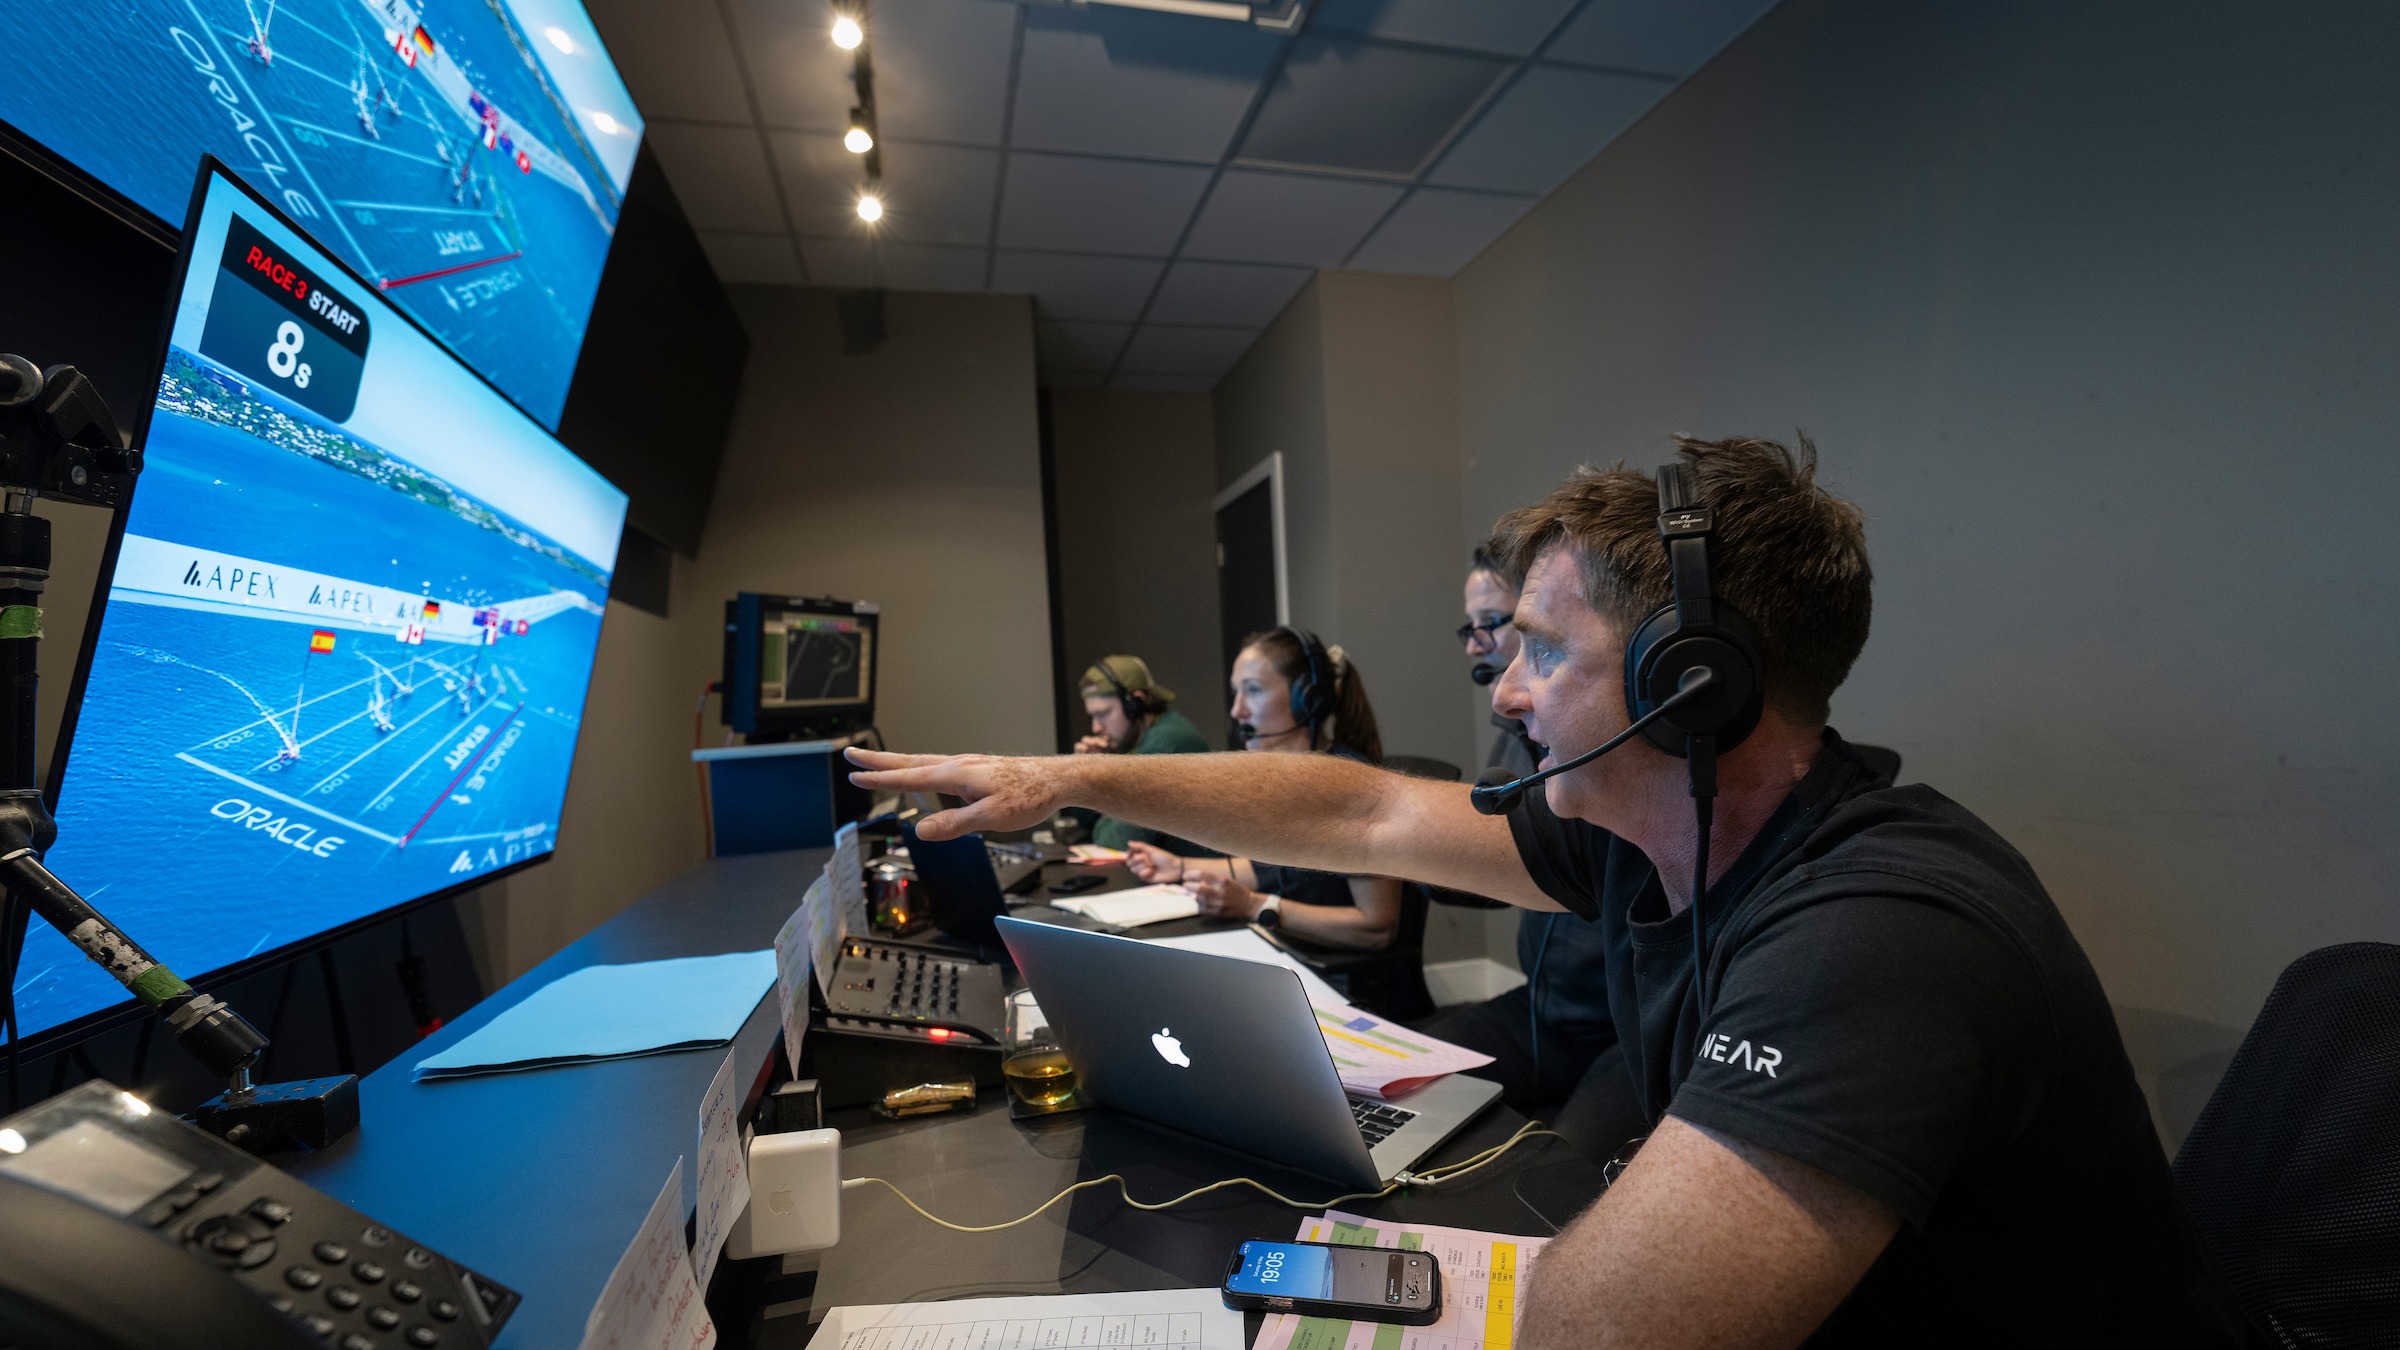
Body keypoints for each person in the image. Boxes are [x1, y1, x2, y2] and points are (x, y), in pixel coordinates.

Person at [848, 436, 2244, 1347]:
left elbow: (1600, 1332)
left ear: (1688, 691)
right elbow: (1370, 804)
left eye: (1542, 653)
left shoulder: (1884, 932)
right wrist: (1059, 779)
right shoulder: (1646, 833)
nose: (1503, 693)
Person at [1424, 542, 1645, 1159]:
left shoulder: (1613, 753)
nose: (1475, 645)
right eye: (1472, 628)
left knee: (1563, 1173)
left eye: (1493, 624)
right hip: (1543, 1009)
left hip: (1621, 1030)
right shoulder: (1514, 742)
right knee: (1392, 1081)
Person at [1124, 628, 1403, 952]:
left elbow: (1377, 927)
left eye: (1253, 691)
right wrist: (1178, 867)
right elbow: (1275, 873)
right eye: (1236, 693)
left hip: (1337, 976)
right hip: (1283, 951)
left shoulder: (1352, 788)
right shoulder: (1281, 781)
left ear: (1306, 699)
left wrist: (1255, 905)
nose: (1237, 710)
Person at [1071, 655, 1208, 851]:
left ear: (1134, 704)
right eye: (1092, 716)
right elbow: (1085, 822)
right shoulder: (1135, 744)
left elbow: (1118, 841)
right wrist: (1086, 774)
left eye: (1103, 714)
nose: (1095, 727)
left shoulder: (1165, 743)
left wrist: (1107, 811)